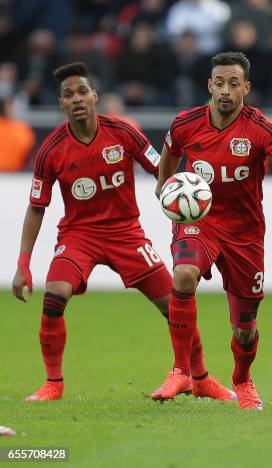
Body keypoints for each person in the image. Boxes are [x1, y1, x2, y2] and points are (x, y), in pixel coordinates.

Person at [12, 62, 233, 402]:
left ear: (95, 96)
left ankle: (200, 377)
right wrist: (23, 263)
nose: (77, 99)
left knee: (174, 301)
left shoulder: (123, 133)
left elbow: (163, 174)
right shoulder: (51, 149)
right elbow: (36, 206)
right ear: (61, 103)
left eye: (83, 92)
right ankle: (53, 384)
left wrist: (193, 229)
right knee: (55, 293)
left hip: (126, 234)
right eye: (69, 95)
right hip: (78, 236)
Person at [152, 51, 272, 409]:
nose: (225, 90)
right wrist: (164, 186)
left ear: (246, 88)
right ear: (210, 85)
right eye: (219, 83)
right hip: (199, 222)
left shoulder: (259, 127)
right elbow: (169, 149)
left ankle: (242, 379)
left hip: (244, 233)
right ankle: (181, 370)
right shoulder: (185, 123)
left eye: (233, 84)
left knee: (245, 328)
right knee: (183, 276)